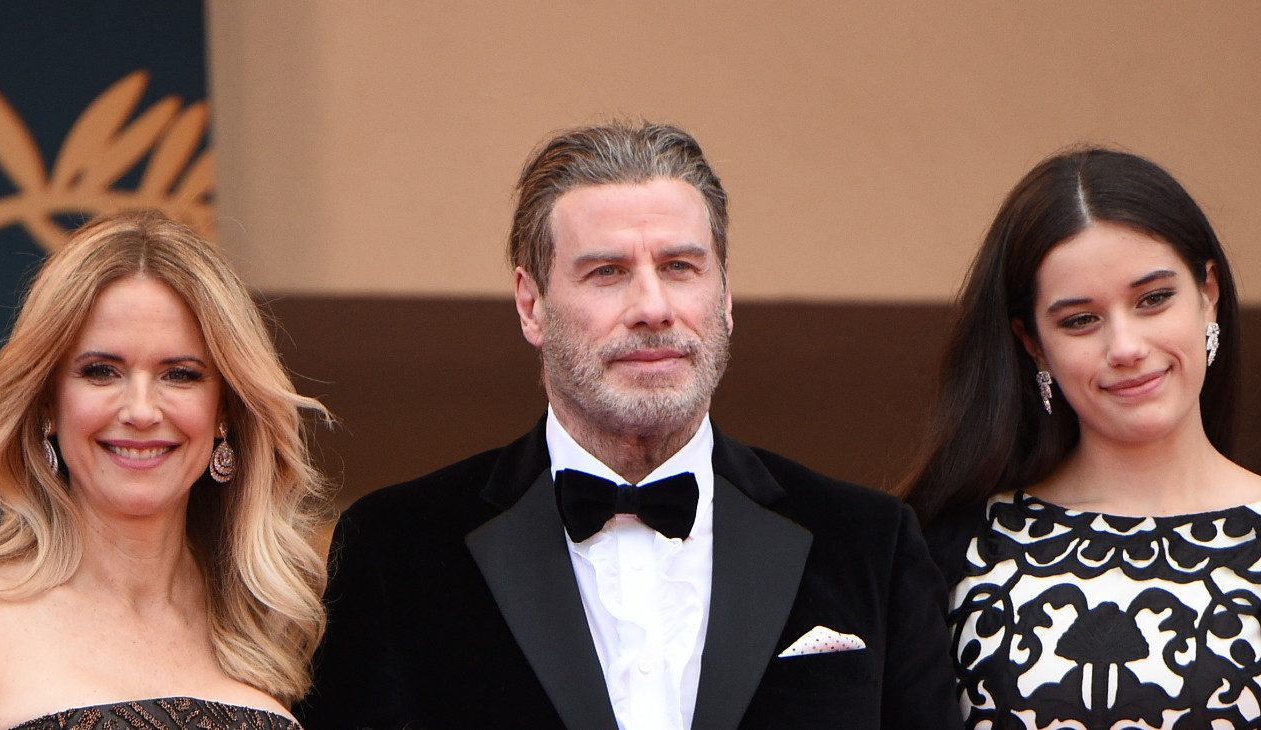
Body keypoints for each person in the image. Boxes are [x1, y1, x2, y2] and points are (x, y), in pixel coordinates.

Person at [296, 121, 961, 729]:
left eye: (679, 267)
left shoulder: (867, 545)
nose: (652, 306)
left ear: (724, 297)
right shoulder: (397, 550)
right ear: (531, 305)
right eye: (607, 272)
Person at [904, 147, 1261, 728]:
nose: (1125, 347)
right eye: (1080, 320)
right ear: (1034, 343)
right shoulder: (955, 554)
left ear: (1209, 292)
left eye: (1153, 299)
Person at [0, 211, 331, 729]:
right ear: (48, 402)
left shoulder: (273, 632)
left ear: (224, 409)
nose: (140, 410)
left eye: (180, 375)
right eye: (101, 372)